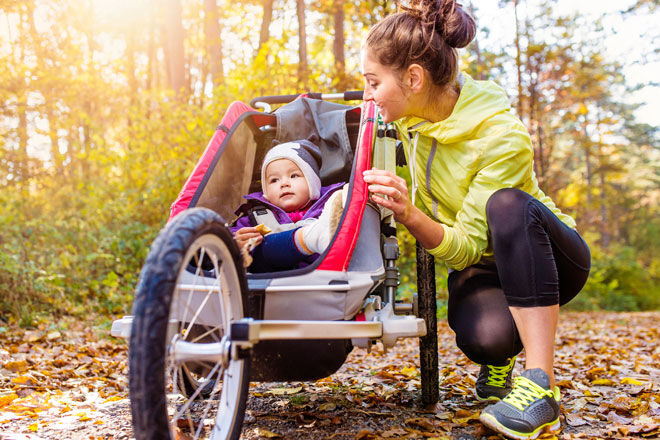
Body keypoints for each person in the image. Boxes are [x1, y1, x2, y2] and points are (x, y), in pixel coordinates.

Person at [360, 1, 591, 439]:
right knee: (483, 339)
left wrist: (409, 213)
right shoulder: (411, 118)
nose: (368, 95)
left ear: (413, 78)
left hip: (546, 253)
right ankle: (501, 359)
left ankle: (541, 387)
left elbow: (464, 246)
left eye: (373, 83)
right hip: (486, 268)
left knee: (506, 204)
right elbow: (467, 256)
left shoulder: (501, 136)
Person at [231, 139, 345, 273]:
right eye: (274, 180)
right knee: (254, 251)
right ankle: (309, 237)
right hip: (270, 279)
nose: (284, 183)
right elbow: (228, 237)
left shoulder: (332, 205)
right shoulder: (254, 215)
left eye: (294, 176)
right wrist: (235, 240)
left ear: (312, 183)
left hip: (323, 276)